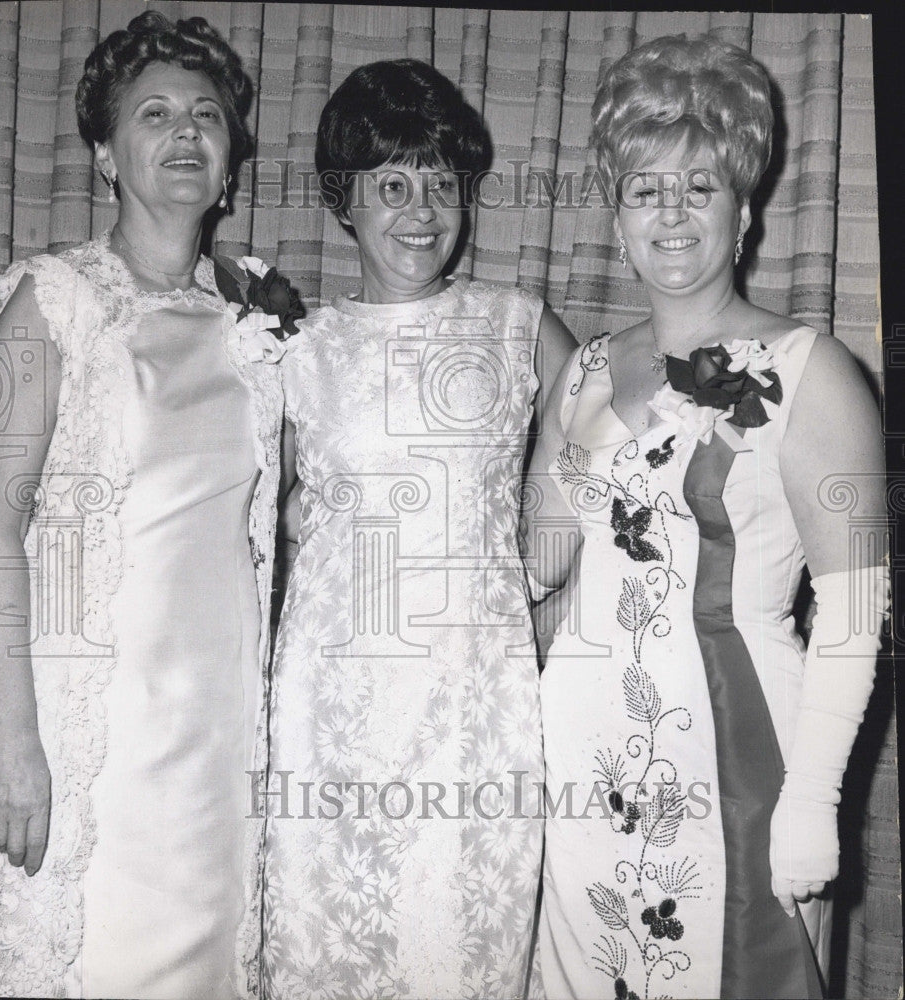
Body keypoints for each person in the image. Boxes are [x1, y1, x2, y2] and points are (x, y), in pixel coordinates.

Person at [523, 35, 888, 1000]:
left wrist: (811, 802)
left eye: (699, 187)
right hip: (579, 755)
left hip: (735, 753)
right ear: (615, 215)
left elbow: (855, 609)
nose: (671, 215)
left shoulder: (819, 374)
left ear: (743, 209)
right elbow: (538, 561)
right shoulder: (588, 369)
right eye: (644, 190)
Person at [0, 12, 289, 997]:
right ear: (107, 152)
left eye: (207, 115)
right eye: (154, 114)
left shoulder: (257, 315)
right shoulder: (53, 302)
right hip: (87, 725)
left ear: (231, 157)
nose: (187, 133)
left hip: (221, 727)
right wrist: (13, 738)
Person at [261, 58, 575, 1000]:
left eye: (441, 183)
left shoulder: (517, 325)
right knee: (329, 942)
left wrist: (544, 587)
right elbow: (261, 516)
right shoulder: (294, 348)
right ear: (343, 201)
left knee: (462, 941)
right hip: (333, 701)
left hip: (474, 704)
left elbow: (607, 465)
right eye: (391, 184)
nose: (421, 209)